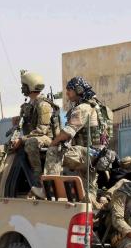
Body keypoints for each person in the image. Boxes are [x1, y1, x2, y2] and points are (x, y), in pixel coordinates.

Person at [0, 70, 57, 196]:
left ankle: (40, 183)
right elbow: (24, 125)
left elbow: (42, 130)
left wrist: (21, 140)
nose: (22, 88)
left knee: (30, 143)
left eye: (24, 85)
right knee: (1, 148)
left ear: (30, 86)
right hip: (30, 137)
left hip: (45, 138)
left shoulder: (43, 105)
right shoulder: (27, 106)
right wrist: (18, 123)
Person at [33, 76, 100, 205]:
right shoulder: (96, 106)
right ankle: (94, 212)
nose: (67, 93)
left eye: (70, 89)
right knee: (87, 195)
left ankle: (48, 190)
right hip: (97, 155)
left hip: (88, 153)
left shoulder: (83, 108)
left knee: (54, 151)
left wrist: (54, 141)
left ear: (79, 90)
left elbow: (67, 132)